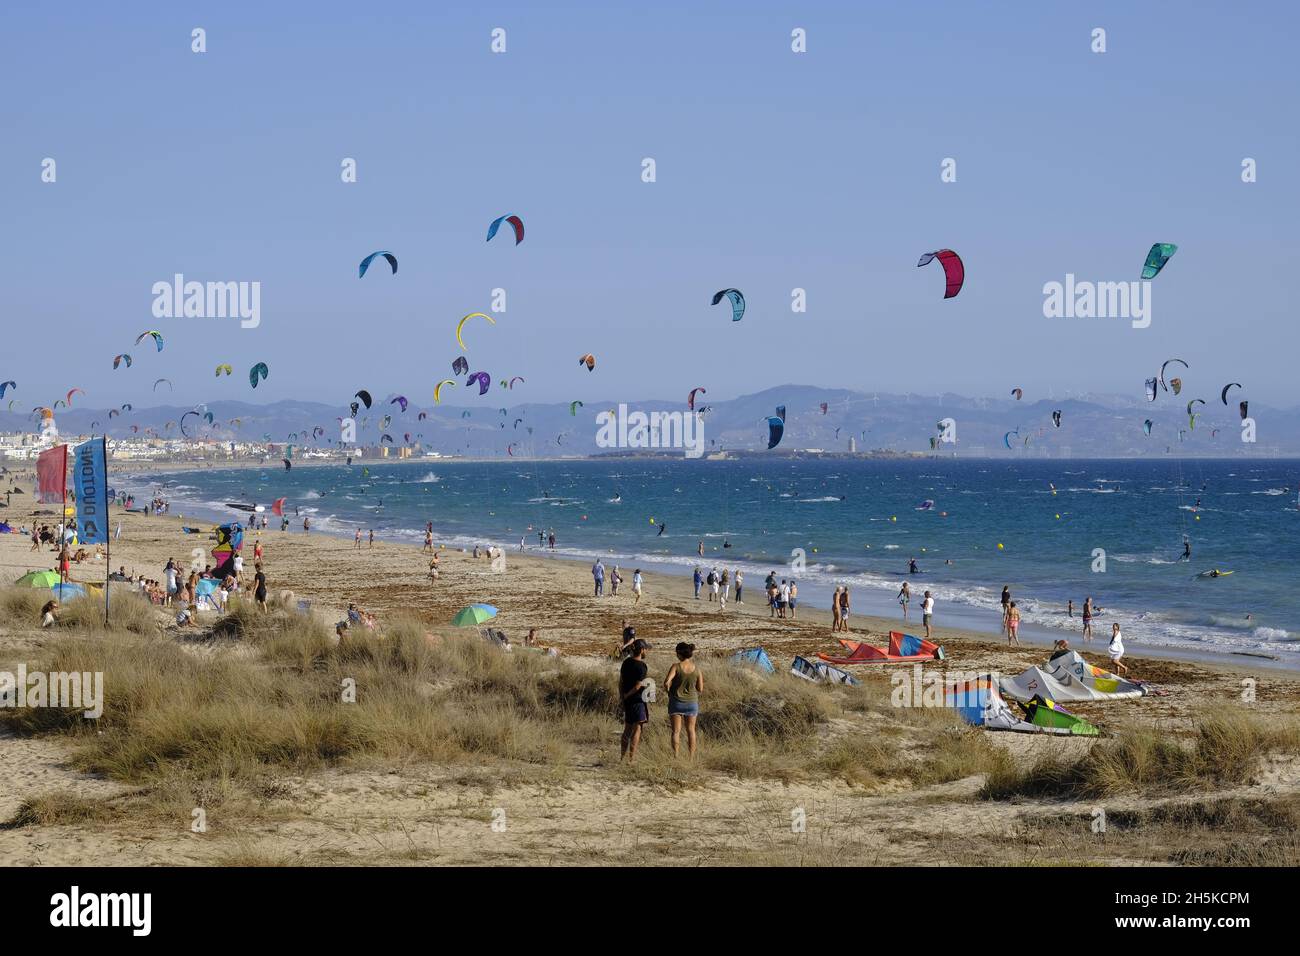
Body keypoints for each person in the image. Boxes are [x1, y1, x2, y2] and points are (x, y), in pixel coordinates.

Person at [665, 642, 702, 758]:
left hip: (676, 702)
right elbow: (700, 689)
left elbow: (666, 683)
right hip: (691, 703)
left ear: (679, 653)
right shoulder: (697, 669)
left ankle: (675, 756)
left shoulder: (675, 666)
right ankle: (691, 757)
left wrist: (669, 693)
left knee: (676, 731)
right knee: (691, 731)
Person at [619, 639, 651, 761]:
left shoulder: (626, 662)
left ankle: (622, 756)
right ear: (642, 650)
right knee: (637, 729)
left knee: (627, 728)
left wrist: (622, 696)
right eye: (645, 649)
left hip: (627, 700)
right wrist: (628, 695)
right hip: (637, 700)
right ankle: (631, 759)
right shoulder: (642, 666)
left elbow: (620, 682)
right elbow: (638, 685)